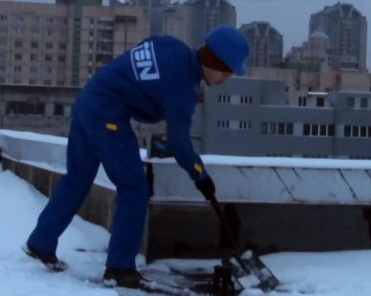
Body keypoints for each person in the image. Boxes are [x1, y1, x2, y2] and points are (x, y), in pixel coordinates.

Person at [23, 25, 249, 288]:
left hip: (89, 100)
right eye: (226, 73)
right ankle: (120, 267)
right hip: (108, 114)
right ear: (214, 63)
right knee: (134, 189)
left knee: (77, 179)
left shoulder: (171, 44)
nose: (226, 80)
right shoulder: (182, 88)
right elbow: (179, 143)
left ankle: (41, 242)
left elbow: (142, 79)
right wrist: (200, 175)